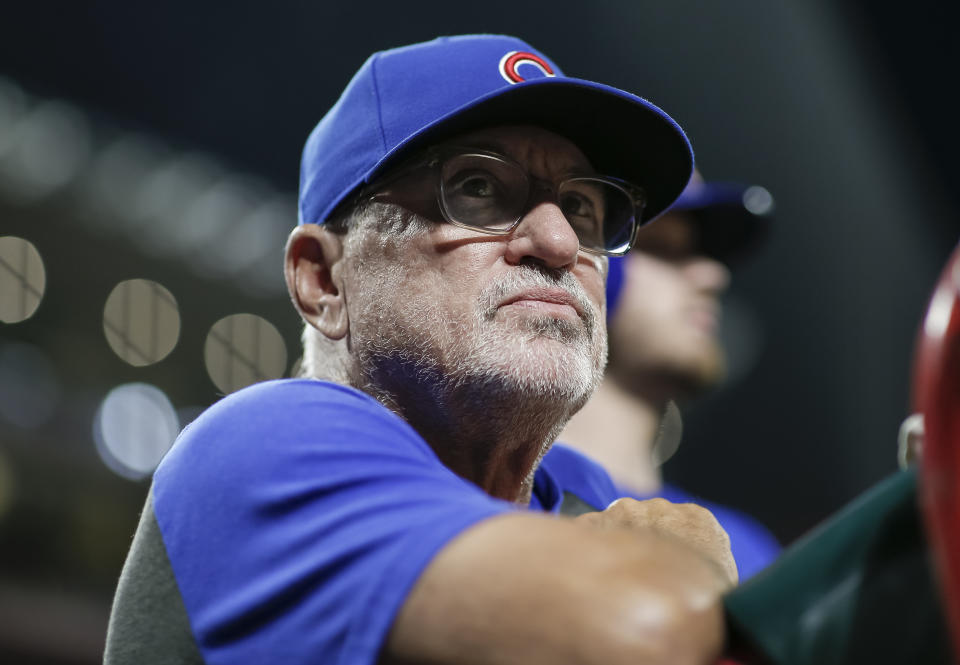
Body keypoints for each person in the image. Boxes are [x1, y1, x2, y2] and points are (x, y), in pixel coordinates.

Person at [104, 34, 739, 665]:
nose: (558, 241)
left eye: (580, 206)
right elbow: (649, 634)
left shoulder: (586, 492)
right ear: (322, 279)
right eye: (478, 188)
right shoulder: (266, 445)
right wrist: (680, 571)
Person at [558, 173, 781, 579]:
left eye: (706, 255)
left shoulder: (745, 544)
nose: (713, 276)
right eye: (664, 248)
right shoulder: (504, 491)